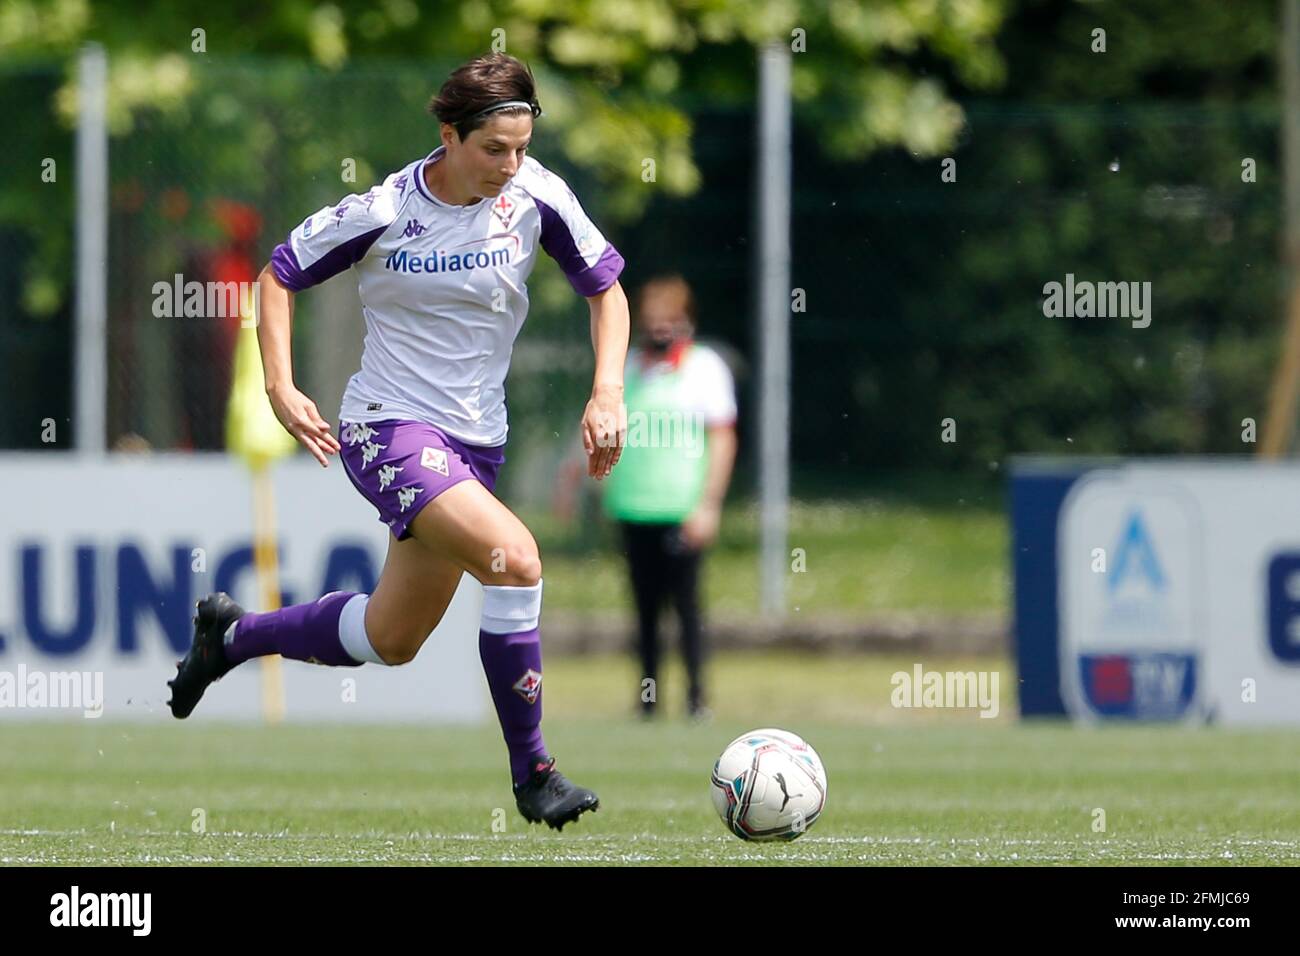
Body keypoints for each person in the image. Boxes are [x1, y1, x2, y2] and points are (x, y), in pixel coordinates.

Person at [166, 53, 630, 832]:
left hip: (476, 444)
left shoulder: (538, 195)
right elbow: (277, 274)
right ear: (449, 135)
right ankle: (534, 773)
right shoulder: (384, 211)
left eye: (521, 148)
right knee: (515, 559)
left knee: (392, 638)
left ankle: (233, 637)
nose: (511, 166)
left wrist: (607, 389)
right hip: (388, 427)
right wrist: (280, 385)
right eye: (494, 151)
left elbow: (606, 291)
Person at [600, 276, 737, 719]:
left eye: (669, 320)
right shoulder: (627, 370)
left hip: (682, 508)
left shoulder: (704, 368)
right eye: (653, 320)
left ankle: (697, 699)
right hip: (634, 506)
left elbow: (721, 439)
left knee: (687, 608)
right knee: (643, 612)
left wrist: (708, 504)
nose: (660, 329)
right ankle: (648, 701)